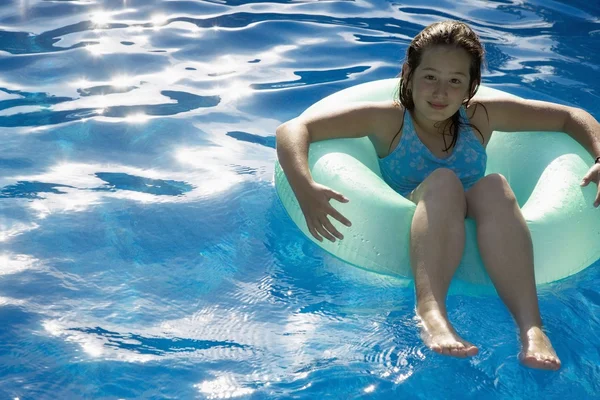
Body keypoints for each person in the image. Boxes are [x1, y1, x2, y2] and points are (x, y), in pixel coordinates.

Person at [275, 20, 600, 371]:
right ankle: (431, 314)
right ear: (409, 74)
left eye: (455, 81)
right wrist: (305, 187)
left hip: (478, 207)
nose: (440, 93)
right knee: (444, 181)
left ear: (470, 87)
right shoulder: (388, 120)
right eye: (430, 77)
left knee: (495, 185)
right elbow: (293, 128)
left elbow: (571, 116)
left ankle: (532, 328)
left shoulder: (480, 117)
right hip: (420, 206)